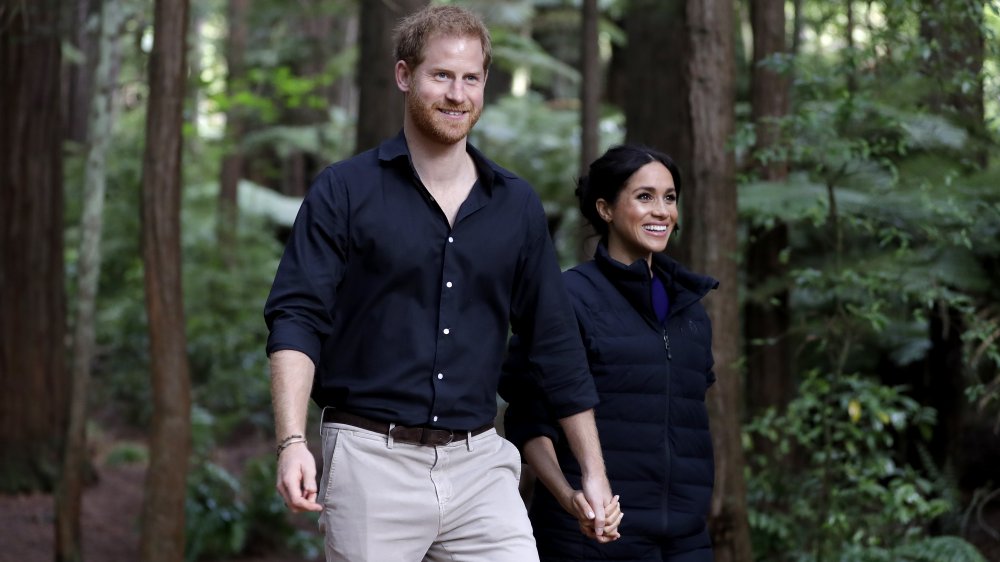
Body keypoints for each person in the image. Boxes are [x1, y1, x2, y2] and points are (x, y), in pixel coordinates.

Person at [263, 6, 617, 561]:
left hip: (480, 463)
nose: (457, 94)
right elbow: (297, 319)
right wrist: (291, 442)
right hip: (369, 459)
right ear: (405, 76)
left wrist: (593, 472)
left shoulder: (515, 205)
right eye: (441, 76)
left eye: (471, 78)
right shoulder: (344, 191)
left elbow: (555, 344)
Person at [500, 144, 718, 561]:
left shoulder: (690, 307)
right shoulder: (567, 299)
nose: (662, 211)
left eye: (669, 198)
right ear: (605, 209)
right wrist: (569, 496)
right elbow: (527, 421)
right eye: (644, 197)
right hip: (589, 537)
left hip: (685, 541)